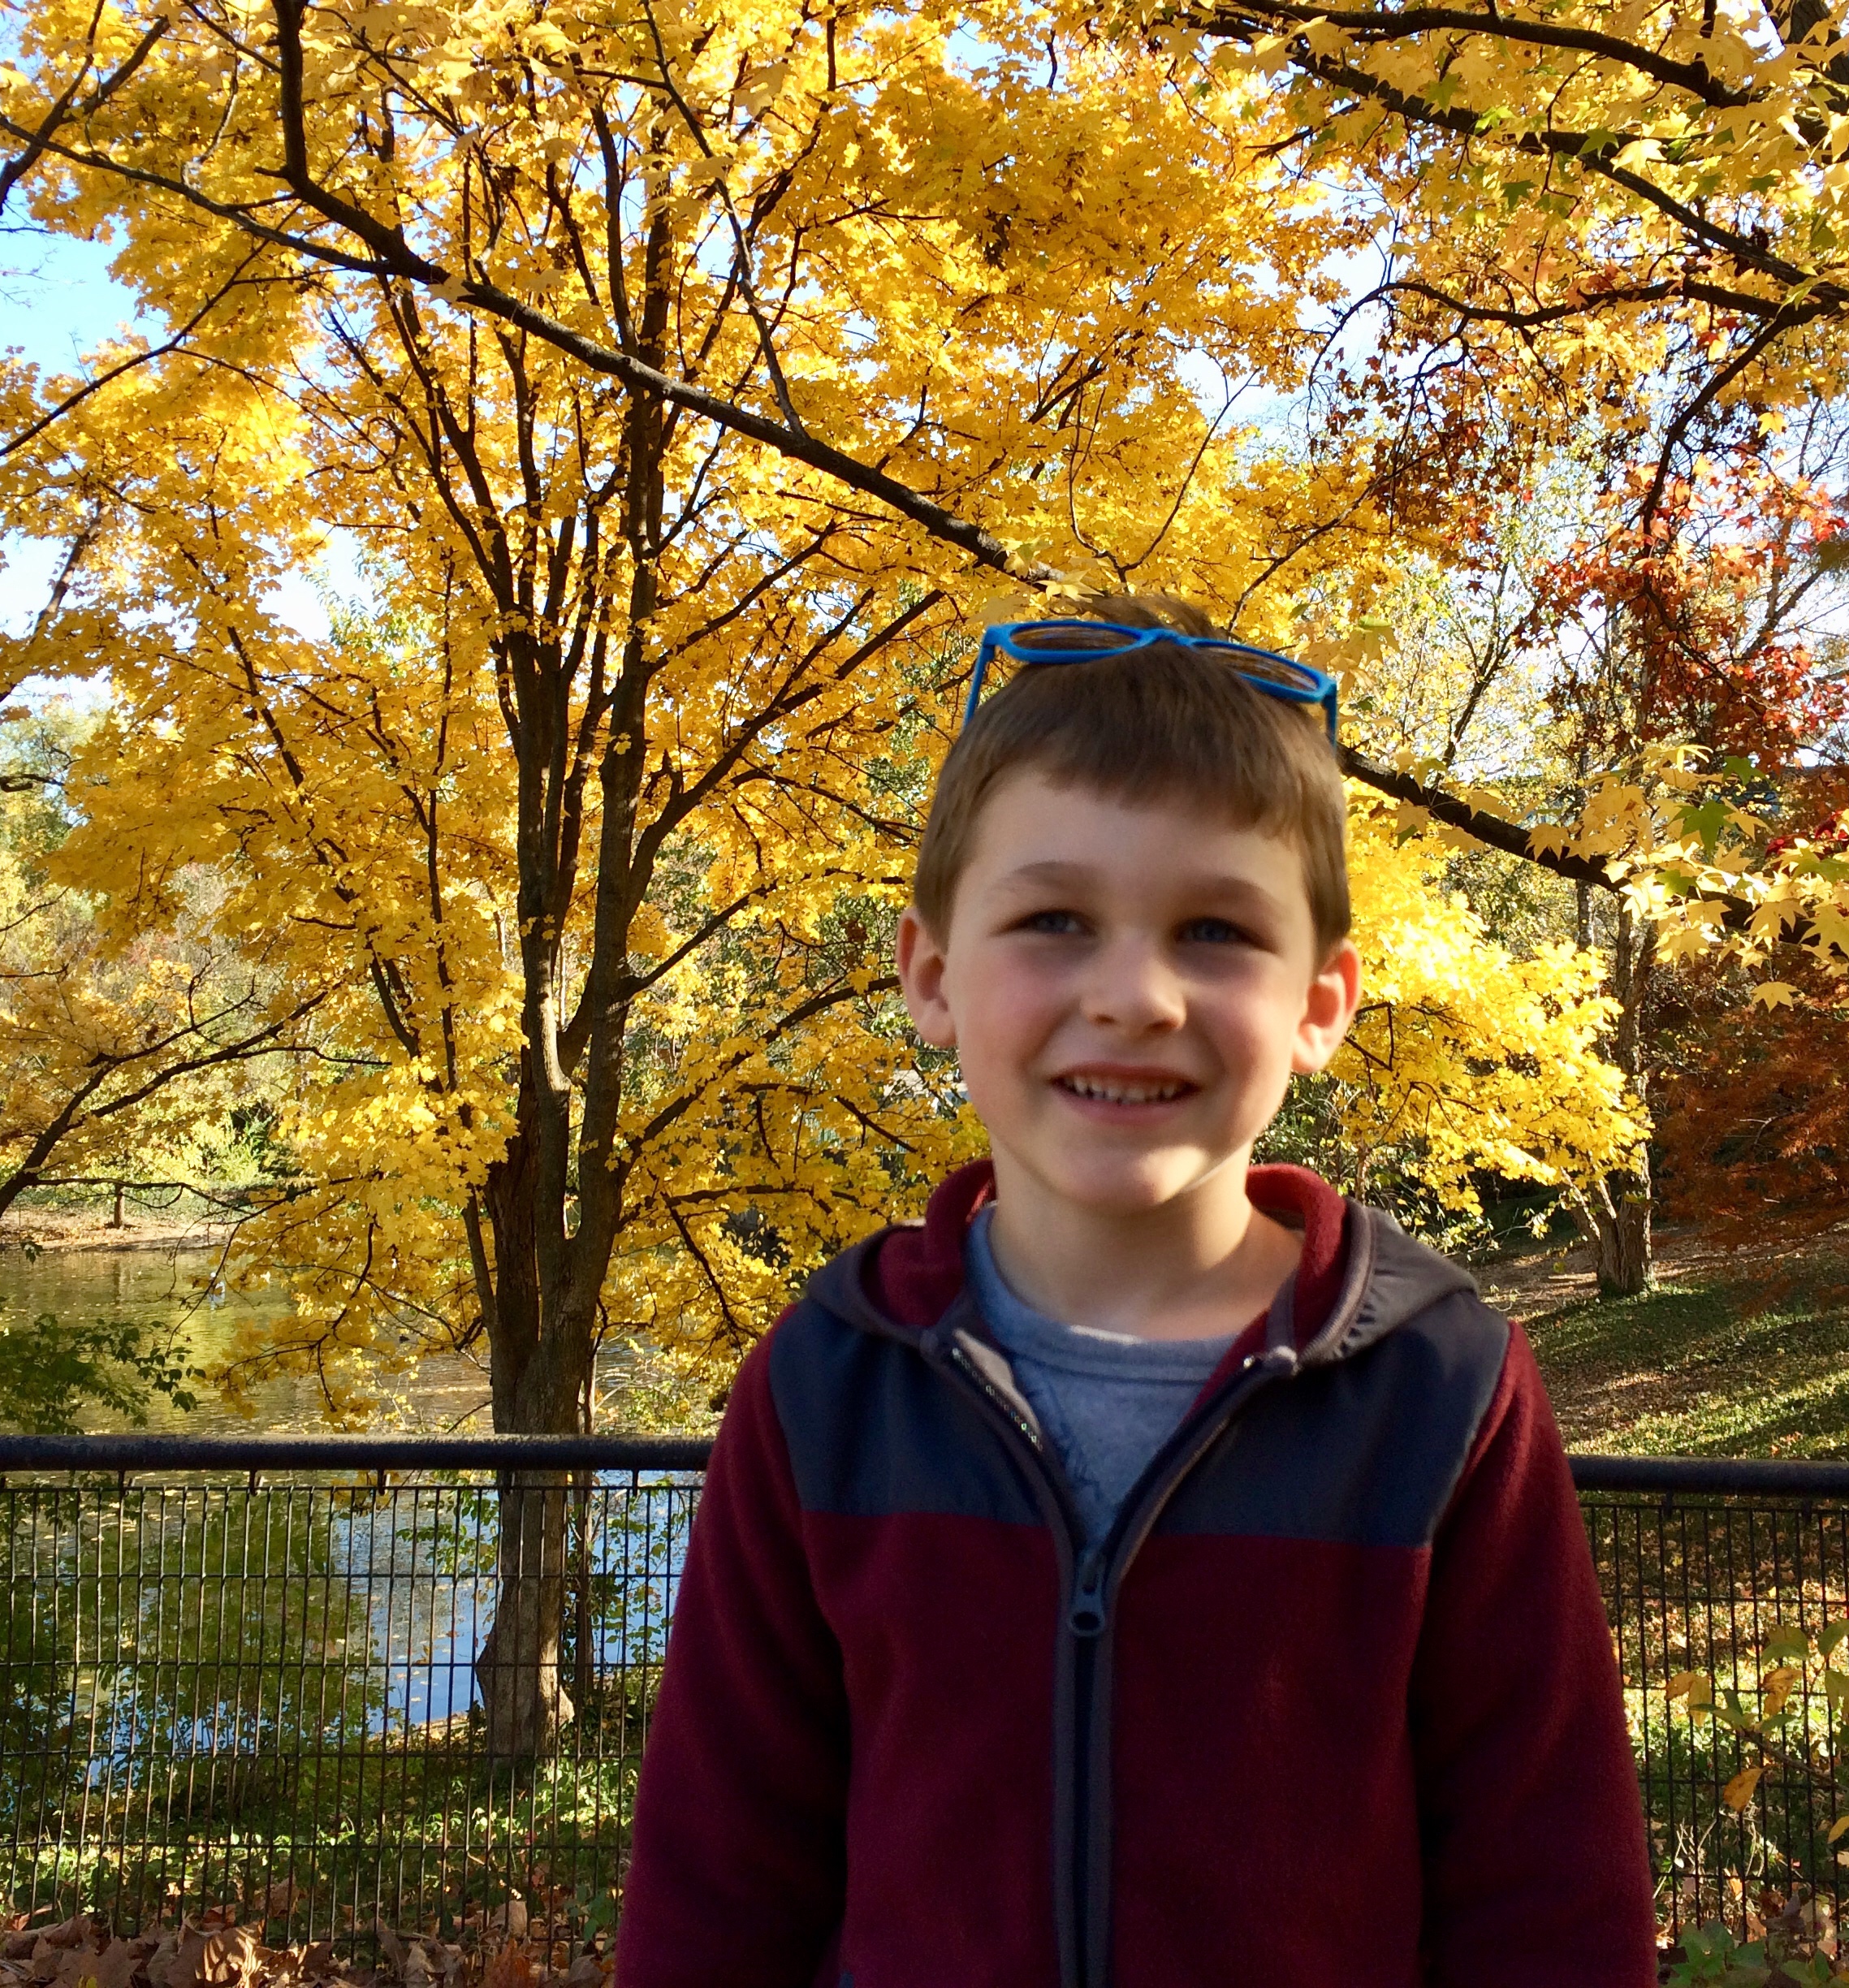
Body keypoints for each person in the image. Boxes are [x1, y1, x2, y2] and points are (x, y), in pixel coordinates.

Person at [613, 596, 1656, 1987]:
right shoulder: (827, 1386)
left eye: (1216, 930)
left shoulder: (1441, 1391)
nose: (1136, 996)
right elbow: (715, 1889)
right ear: (932, 975)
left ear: (1320, 1004)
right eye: (1054, 919)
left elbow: (1553, 1899)